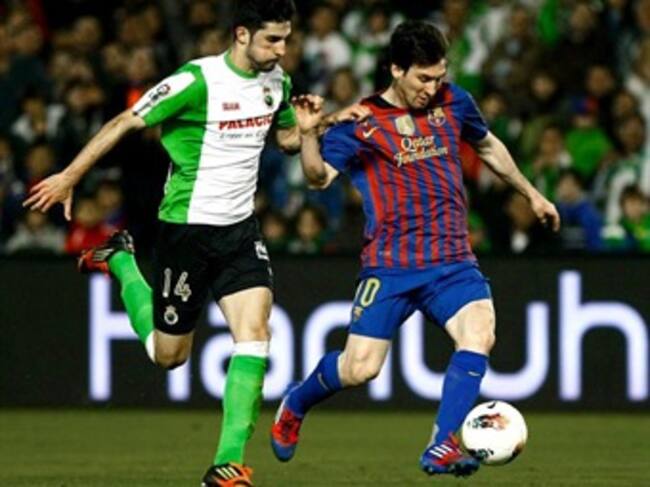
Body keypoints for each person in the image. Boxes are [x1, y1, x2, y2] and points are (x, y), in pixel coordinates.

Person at [23, 1, 365, 485]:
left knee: (255, 332)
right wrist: (70, 176)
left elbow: (287, 140)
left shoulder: (277, 82)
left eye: (286, 39)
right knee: (169, 355)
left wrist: (314, 128)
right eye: (272, 39)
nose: (282, 49)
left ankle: (227, 464)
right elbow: (125, 121)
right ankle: (122, 261)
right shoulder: (196, 81)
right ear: (242, 34)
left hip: (240, 231)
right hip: (187, 231)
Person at [270, 20, 560, 478]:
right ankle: (296, 402)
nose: (432, 88)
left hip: (452, 260)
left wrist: (532, 194)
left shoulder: (454, 101)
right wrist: (308, 135)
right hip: (391, 266)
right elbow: (318, 177)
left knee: (479, 332)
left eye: (439, 77)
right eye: (423, 78)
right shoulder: (363, 122)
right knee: (359, 368)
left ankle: (441, 443)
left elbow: (487, 146)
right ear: (396, 69)